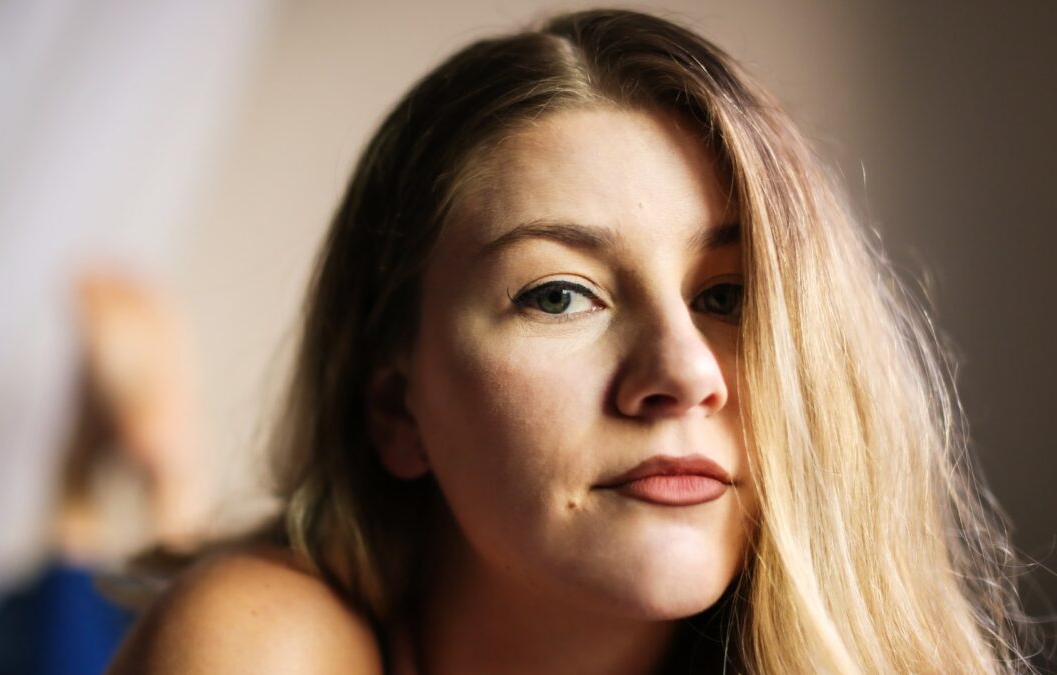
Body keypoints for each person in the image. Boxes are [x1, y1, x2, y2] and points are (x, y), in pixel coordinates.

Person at [107, 9, 1037, 674]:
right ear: (398, 409)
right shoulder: (264, 642)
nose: (684, 373)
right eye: (559, 295)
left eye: (726, 295)